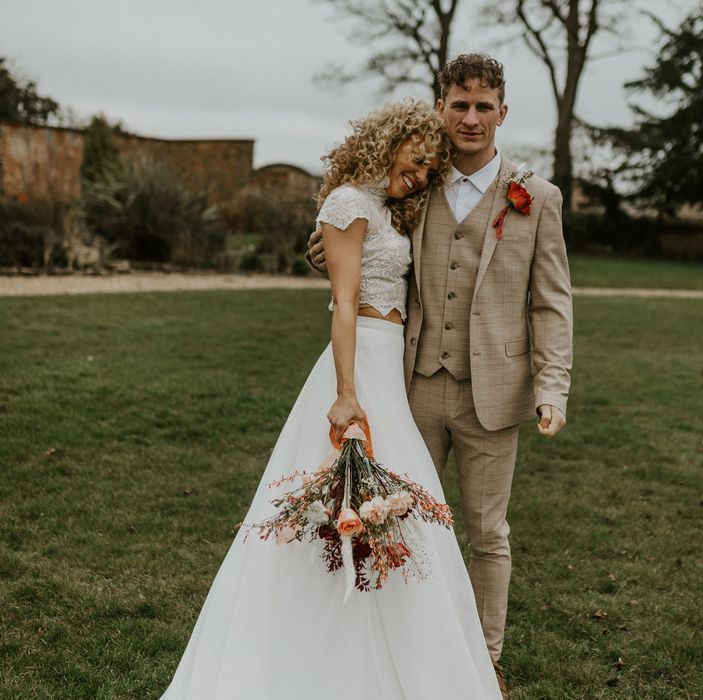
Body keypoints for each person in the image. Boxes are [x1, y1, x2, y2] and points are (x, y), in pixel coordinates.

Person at [160, 99, 503, 699]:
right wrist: (347, 396)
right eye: (414, 159)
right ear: (387, 142)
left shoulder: (393, 211)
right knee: (342, 502)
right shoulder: (346, 203)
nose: (419, 173)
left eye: (429, 166)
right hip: (359, 369)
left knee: (401, 510)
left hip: (390, 371)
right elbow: (343, 305)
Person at [308, 54, 573, 700]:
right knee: (396, 518)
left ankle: (484, 661)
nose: (472, 117)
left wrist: (552, 387)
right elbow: (358, 243)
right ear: (441, 109)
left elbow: (552, 301)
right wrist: (318, 252)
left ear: (503, 113)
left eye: (485, 106)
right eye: (460, 104)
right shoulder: (415, 184)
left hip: (495, 395)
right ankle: (396, 653)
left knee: (488, 535)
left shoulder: (536, 198)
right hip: (411, 385)